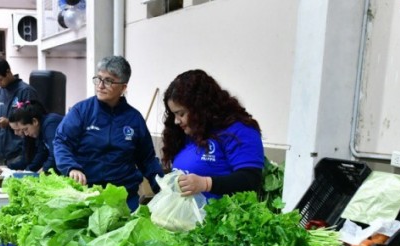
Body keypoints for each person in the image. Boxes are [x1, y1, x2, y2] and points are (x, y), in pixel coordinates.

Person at [54, 55, 163, 211]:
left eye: (109, 81)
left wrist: (164, 188)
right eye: (98, 79)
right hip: (86, 197)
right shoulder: (81, 111)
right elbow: (61, 142)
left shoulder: (134, 119)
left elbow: (147, 159)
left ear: (123, 87)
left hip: (124, 200)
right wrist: (71, 167)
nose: (100, 85)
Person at [161, 69, 264, 199]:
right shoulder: (191, 131)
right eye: (174, 114)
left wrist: (206, 184)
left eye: (181, 114)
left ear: (200, 108)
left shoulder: (239, 131)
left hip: (222, 216)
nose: (176, 121)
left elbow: (250, 179)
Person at [0, 57, 38, 170]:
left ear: (8, 72)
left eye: (0, 80)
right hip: (0, 153)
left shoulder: (26, 91)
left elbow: (32, 124)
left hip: (18, 153)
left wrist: (9, 123)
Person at [7, 100, 61, 173]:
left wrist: (43, 171)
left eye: (25, 129)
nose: (25, 134)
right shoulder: (41, 130)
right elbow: (41, 154)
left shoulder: (50, 124)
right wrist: (27, 171)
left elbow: (55, 154)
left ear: (35, 121)